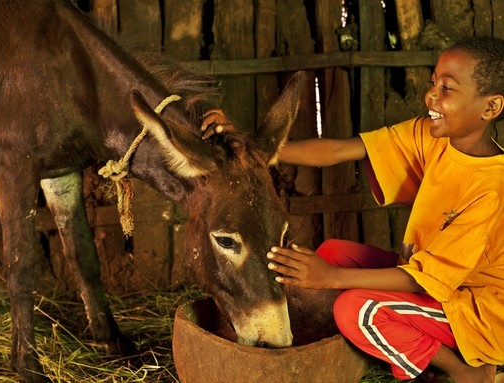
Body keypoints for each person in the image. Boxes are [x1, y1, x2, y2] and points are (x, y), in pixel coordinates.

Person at [201, 36, 504, 383]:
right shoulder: (431, 136)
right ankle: (395, 340)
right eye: (432, 81)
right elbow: (337, 151)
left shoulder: (493, 189)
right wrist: (247, 146)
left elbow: (425, 281)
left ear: (490, 107)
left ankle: (466, 371)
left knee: (356, 309)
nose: (431, 96)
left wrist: (331, 278)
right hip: (431, 283)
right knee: (329, 253)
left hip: (476, 315)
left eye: (447, 88)